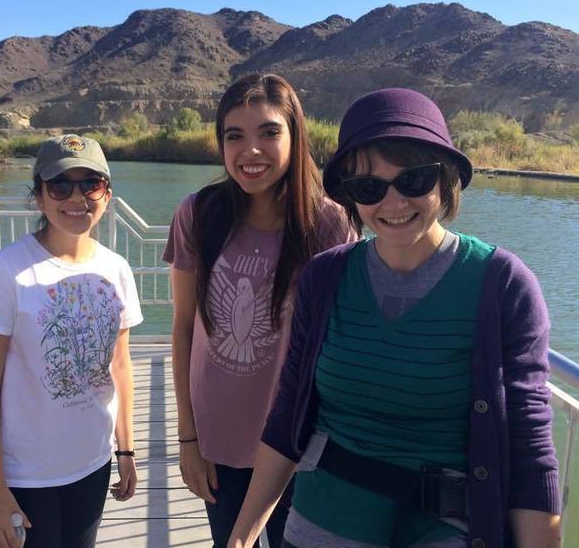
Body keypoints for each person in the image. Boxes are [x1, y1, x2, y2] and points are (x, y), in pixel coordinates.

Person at [228, 88, 561, 548]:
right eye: (369, 187)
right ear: (350, 195)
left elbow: (530, 452)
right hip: (322, 521)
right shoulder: (325, 277)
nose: (393, 202)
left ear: (445, 180)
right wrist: (242, 536)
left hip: (445, 527)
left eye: (414, 180)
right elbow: (288, 417)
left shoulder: (502, 285)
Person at [163, 74, 355, 547]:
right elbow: (184, 329)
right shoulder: (199, 214)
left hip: (298, 441)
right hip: (218, 440)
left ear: (295, 136)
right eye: (235, 136)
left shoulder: (328, 223)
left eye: (269, 133)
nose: (251, 150)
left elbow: (338, 340)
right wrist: (189, 440)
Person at [0, 134, 142, 548]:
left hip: (92, 462)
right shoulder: (6, 273)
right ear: (40, 198)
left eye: (90, 184)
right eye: (60, 185)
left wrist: (126, 450)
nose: (76, 197)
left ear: (107, 196)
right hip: (25, 475)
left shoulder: (115, 269)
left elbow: (119, 366)